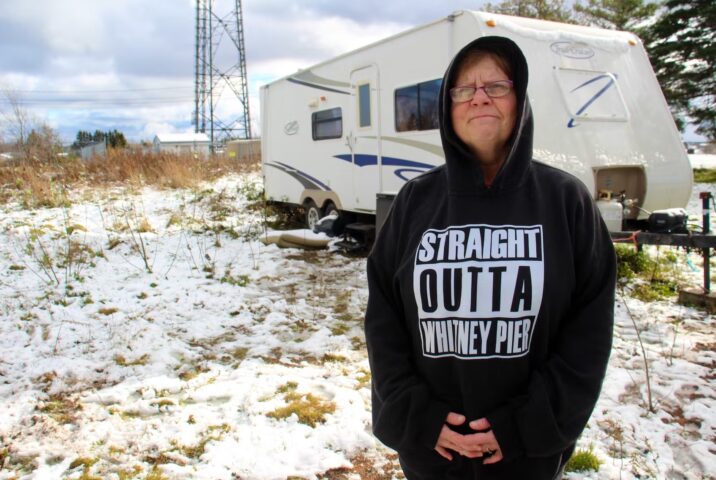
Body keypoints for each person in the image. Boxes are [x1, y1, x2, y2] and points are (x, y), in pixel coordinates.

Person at [364, 36, 616, 479]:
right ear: (448, 106)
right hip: (432, 455)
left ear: (519, 99)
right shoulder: (414, 203)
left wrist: (525, 425)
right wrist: (416, 416)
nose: (479, 96)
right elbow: (384, 322)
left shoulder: (565, 202)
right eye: (464, 89)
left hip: (526, 456)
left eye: (496, 85)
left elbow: (587, 336)